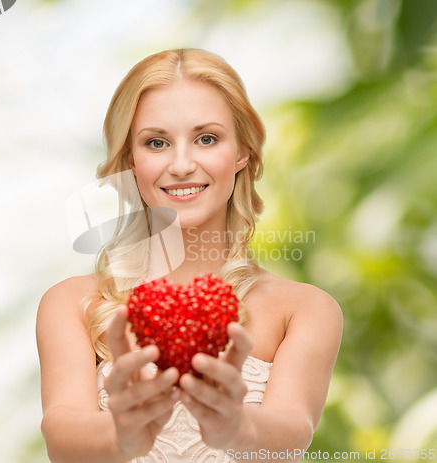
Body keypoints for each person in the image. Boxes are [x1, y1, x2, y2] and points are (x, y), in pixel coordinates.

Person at [36, 48, 343, 463]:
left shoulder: (305, 309)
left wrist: (238, 427)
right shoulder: (73, 303)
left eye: (206, 138)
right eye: (156, 142)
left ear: (242, 153)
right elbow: (62, 434)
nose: (181, 165)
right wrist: (121, 435)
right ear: (131, 160)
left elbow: (294, 432)